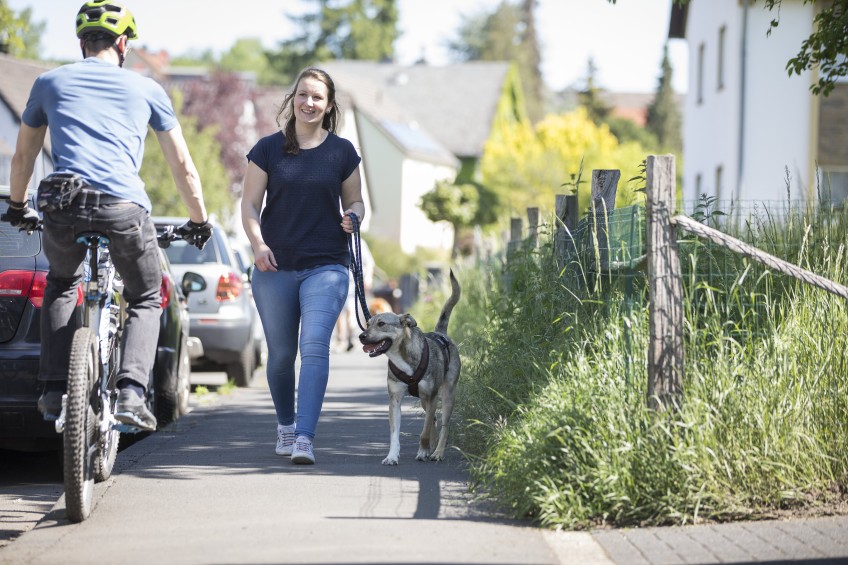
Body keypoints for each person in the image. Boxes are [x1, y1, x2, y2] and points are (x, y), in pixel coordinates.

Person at [4, 0, 212, 432]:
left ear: (81, 43)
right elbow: (183, 166)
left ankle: (53, 390)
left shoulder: (48, 82)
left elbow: (23, 154)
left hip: (61, 202)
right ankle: (132, 392)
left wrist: (18, 205)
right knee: (146, 296)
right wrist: (199, 219)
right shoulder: (148, 89)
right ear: (122, 44)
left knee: (61, 283)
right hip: (122, 207)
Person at [241, 67, 365, 465]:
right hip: (274, 266)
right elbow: (248, 205)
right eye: (303, 95)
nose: (308, 103)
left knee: (314, 347)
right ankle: (286, 425)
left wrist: (354, 217)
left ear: (328, 106)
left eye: (317, 98)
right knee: (280, 355)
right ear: (292, 98)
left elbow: (357, 201)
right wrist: (258, 245)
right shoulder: (266, 149)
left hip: (326, 265)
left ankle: (305, 438)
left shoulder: (342, 152)